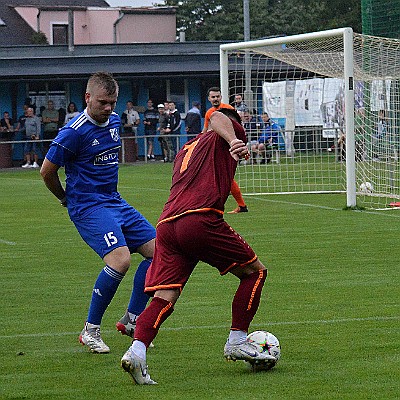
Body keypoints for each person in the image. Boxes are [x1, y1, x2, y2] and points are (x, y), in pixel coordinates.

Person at [120, 108, 274, 385]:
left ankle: (137, 352)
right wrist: (234, 138)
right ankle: (237, 339)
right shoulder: (227, 130)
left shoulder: (185, 149)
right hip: (200, 219)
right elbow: (216, 116)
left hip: (167, 225)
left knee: (164, 298)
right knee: (255, 273)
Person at [40, 72, 156, 354]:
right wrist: (66, 199)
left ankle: (132, 319)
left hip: (114, 202)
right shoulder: (73, 132)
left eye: (112, 103)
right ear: (88, 98)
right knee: (121, 260)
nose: (108, 108)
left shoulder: (114, 121)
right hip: (88, 206)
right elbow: (47, 171)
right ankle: (90, 331)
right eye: (103, 102)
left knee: (160, 251)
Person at [202, 87, 248, 214]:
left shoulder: (228, 109)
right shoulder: (209, 113)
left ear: (221, 97)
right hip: (215, 149)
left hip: (228, 148)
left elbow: (238, 128)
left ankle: (235, 205)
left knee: (225, 177)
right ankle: (241, 205)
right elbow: (205, 132)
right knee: (222, 177)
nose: (215, 99)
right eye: (213, 97)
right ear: (209, 99)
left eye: (217, 96)